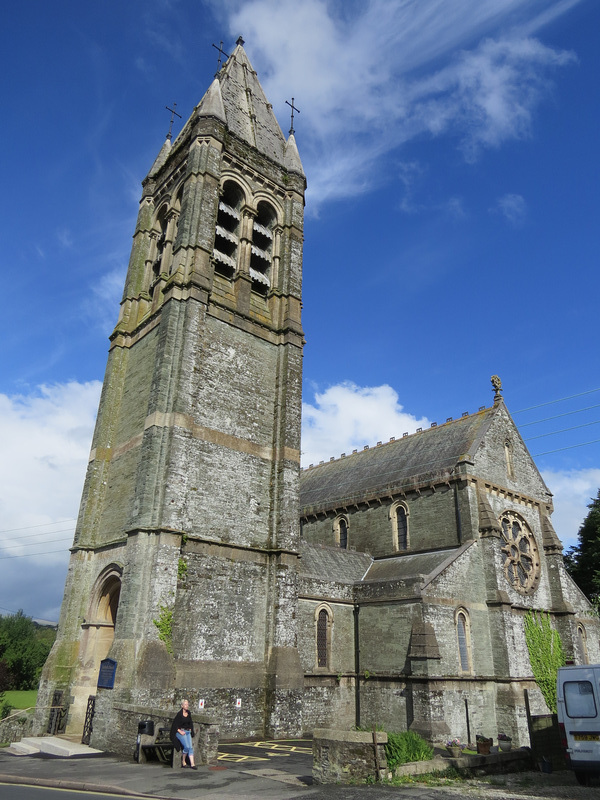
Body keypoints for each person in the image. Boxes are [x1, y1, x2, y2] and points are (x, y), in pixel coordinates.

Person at [170, 699, 197, 769]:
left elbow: (190, 722)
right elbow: (175, 725)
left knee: (190, 747)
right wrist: (180, 731)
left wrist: (191, 729)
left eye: (187, 704)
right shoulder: (179, 715)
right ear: (182, 706)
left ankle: (192, 764)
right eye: (185, 704)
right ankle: (183, 761)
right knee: (187, 747)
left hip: (188, 732)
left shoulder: (189, 713)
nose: (187, 706)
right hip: (181, 732)